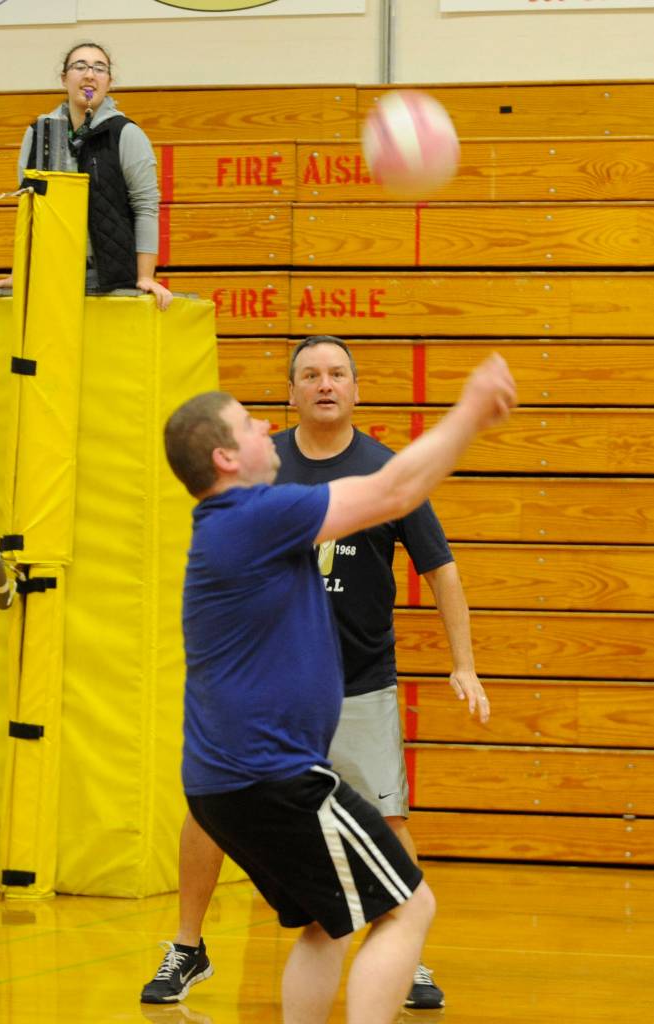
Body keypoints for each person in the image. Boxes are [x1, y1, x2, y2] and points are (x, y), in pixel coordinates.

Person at [157, 355, 516, 1024]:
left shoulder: (238, 523)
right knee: (410, 908)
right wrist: (469, 412)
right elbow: (391, 493)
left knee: (329, 922)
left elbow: (399, 502)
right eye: (246, 423)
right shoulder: (251, 516)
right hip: (271, 777)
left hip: (224, 783)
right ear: (225, 458)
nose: (265, 424)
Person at [0, 41, 172, 310]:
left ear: (109, 81)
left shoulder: (126, 133)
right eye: (80, 66)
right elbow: (29, 209)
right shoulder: (39, 133)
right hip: (51, 274)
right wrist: (20, 273)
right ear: (64, 78)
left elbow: (146, 207)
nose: (89, 74)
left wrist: (145, 277)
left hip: (109, 279)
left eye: (99, 68)